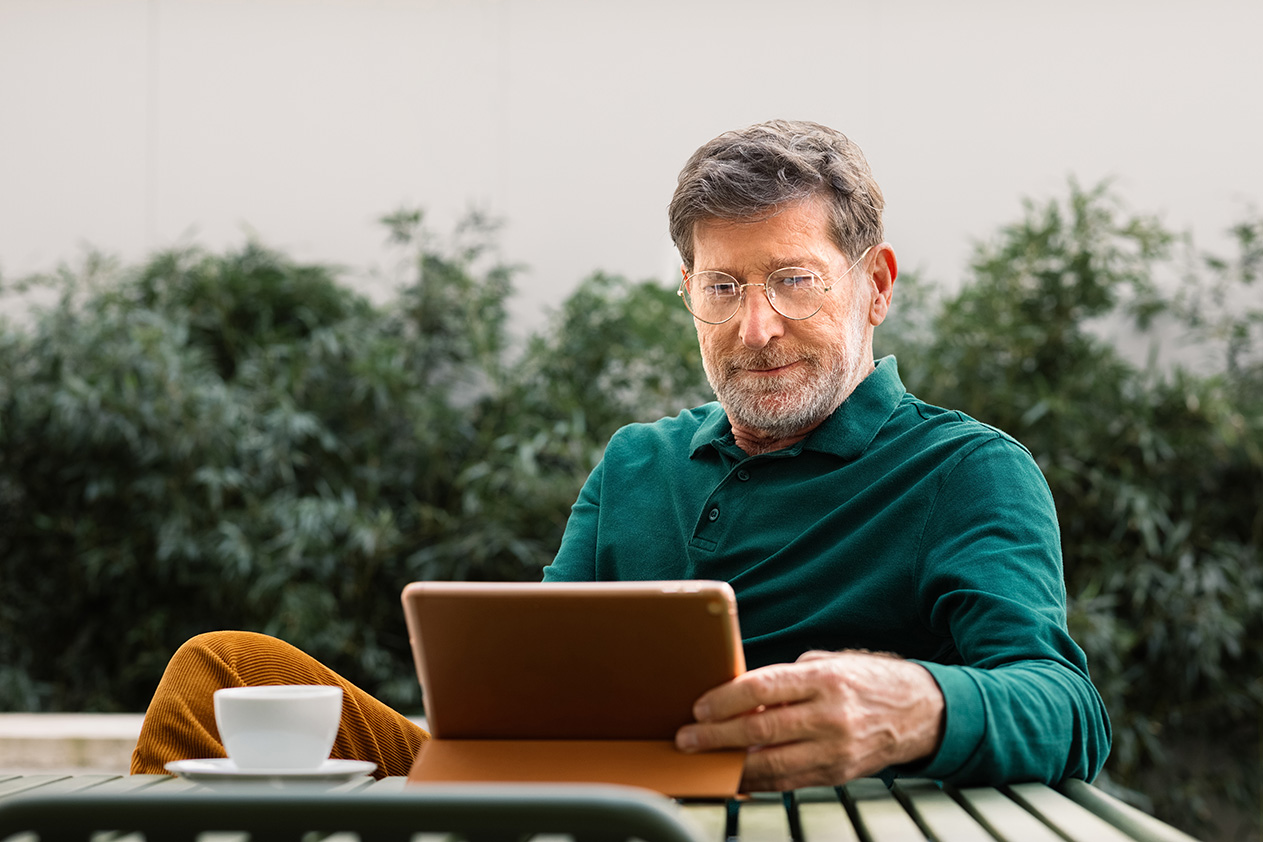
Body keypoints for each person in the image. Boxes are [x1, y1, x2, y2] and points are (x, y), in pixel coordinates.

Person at [131, 119, 1111, 790]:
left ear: (876, 285)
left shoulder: (967, 470)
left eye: (794, 281)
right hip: (574, 796)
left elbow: (1069, 709)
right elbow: (530, 681)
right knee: (222, 667)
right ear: (687, 291)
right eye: (723, 287)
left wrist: (918, 705)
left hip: (779, 815)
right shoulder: (638, 461)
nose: (756, 327)